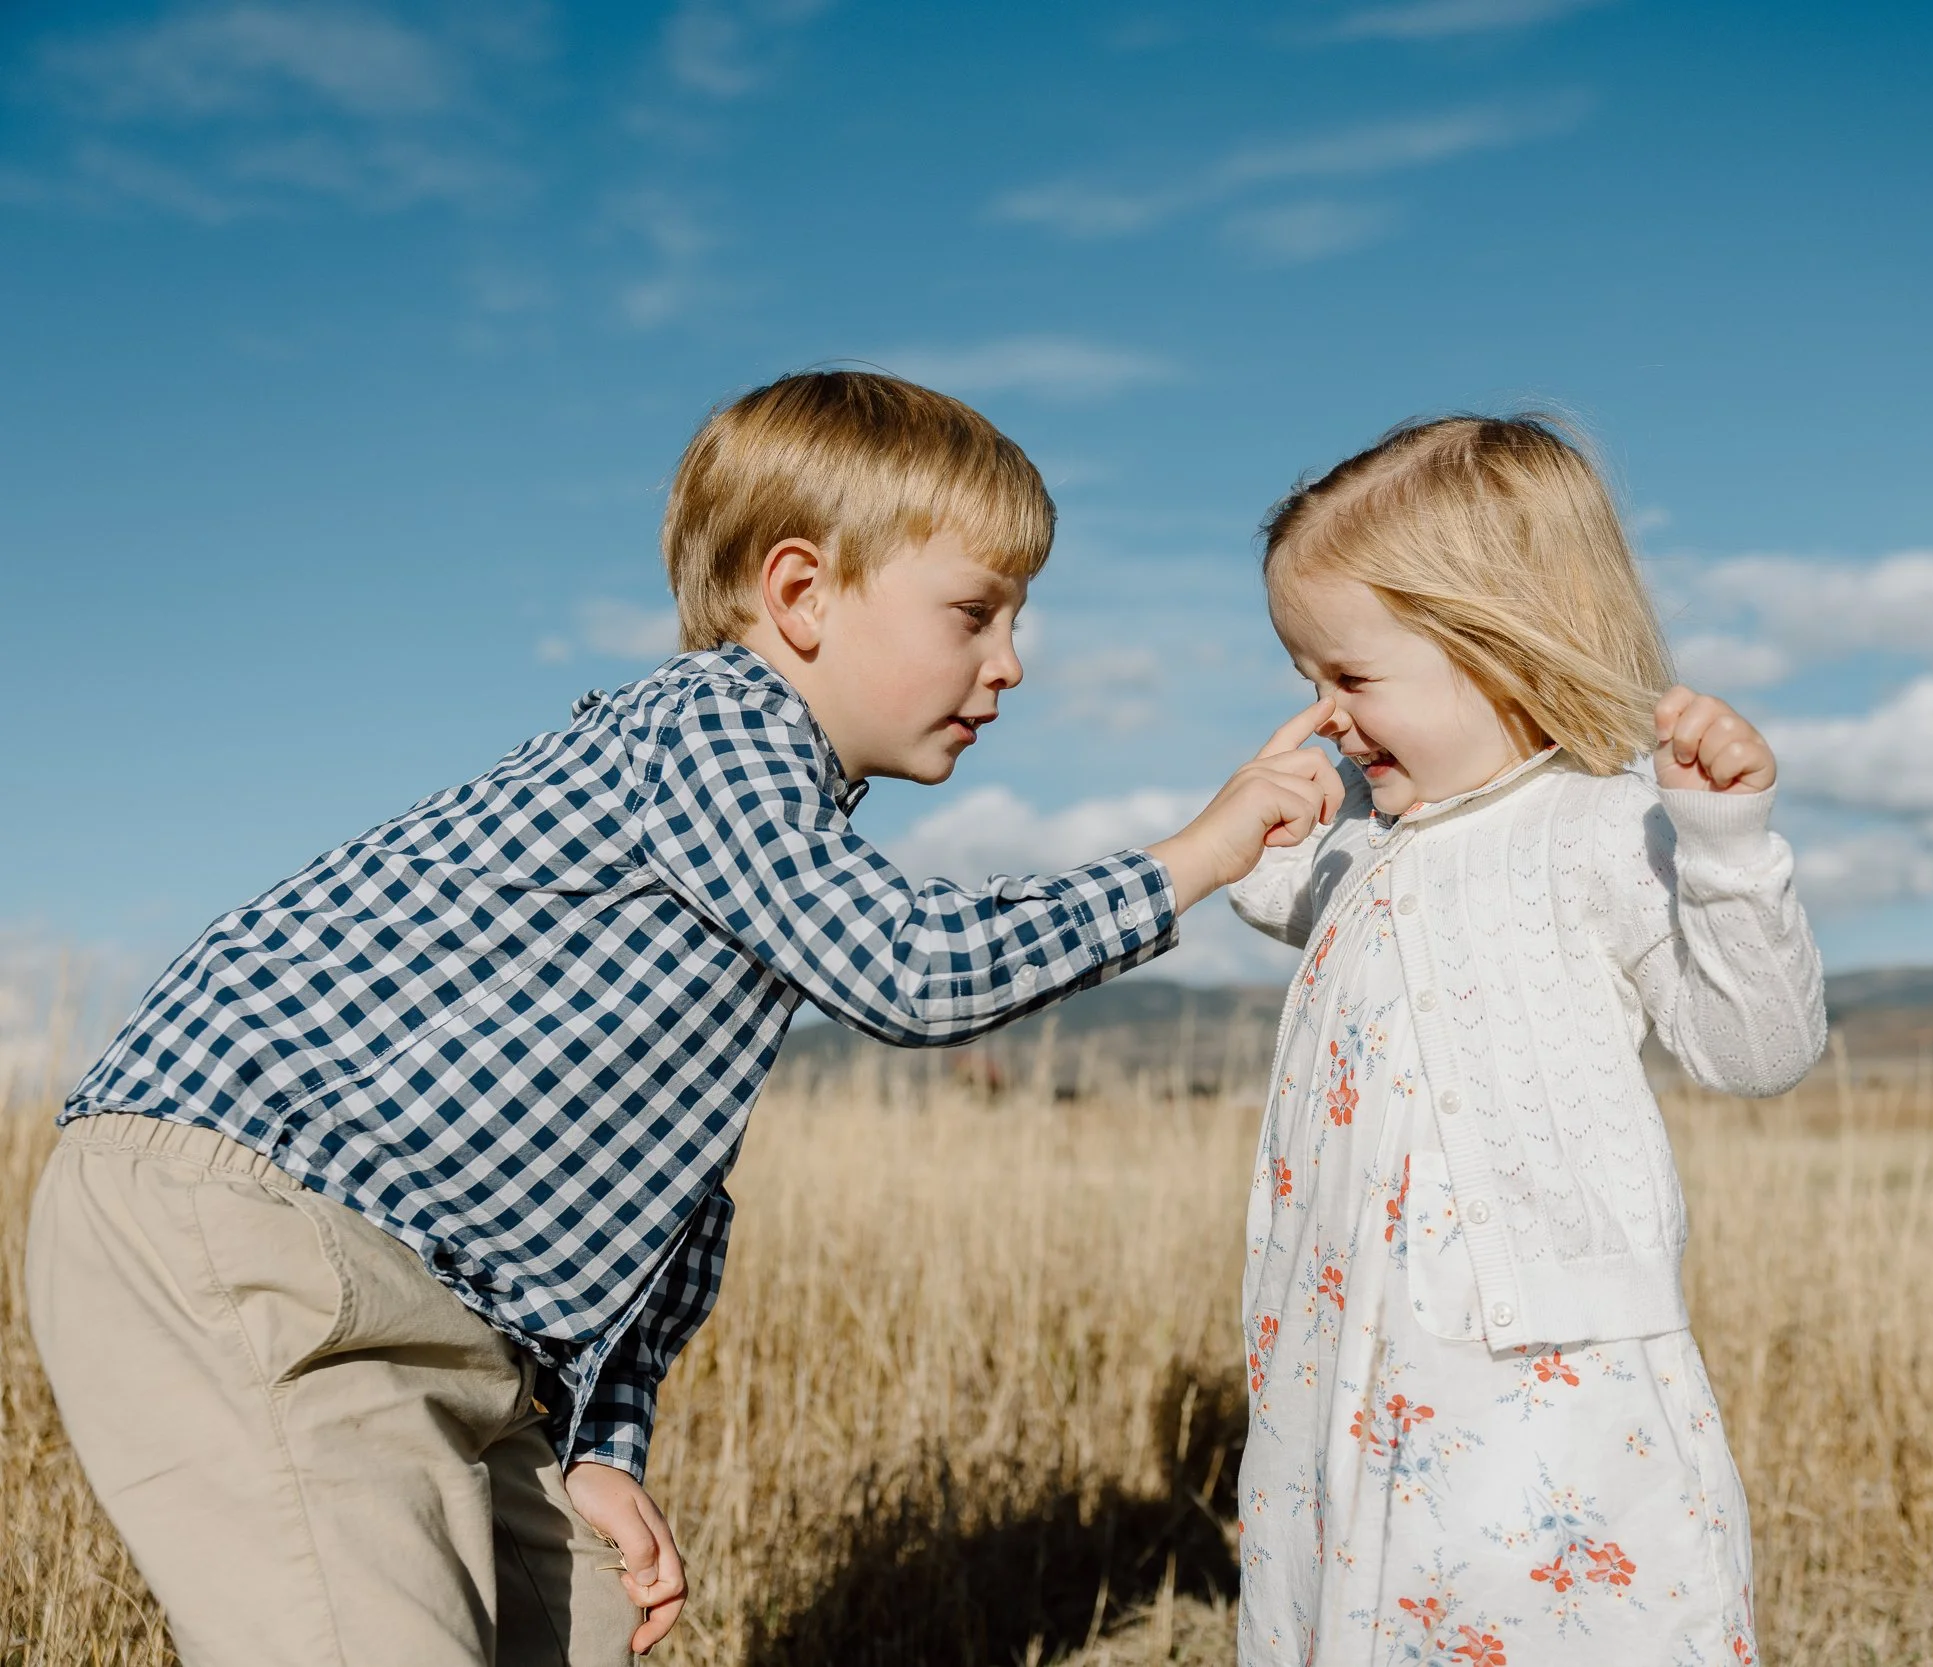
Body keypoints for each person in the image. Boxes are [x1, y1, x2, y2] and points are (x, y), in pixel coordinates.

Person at [24, 370, 1343, 1667]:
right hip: (253, 1224)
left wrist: (600, 1443)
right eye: (975, 611)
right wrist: (1195, 855)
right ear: (800, 592)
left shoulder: (767, 851)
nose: (1011, 663)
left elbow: (667, 1202)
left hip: (442, 1309)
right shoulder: (715, 726)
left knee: (584, 1622)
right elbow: (914, 971)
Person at [1228, 414, 1826, 1665]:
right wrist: (1266, 825)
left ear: (1496, 648)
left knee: (1540, 1612)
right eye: (1304, 681)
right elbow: (1295, 895)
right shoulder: (1379, 850)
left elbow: (1755, 1047)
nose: (1325, 716)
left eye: (1348, 676)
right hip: (1342, 1352)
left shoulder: (1606, 831)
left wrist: (1725, 851)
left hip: (1533, 1355)